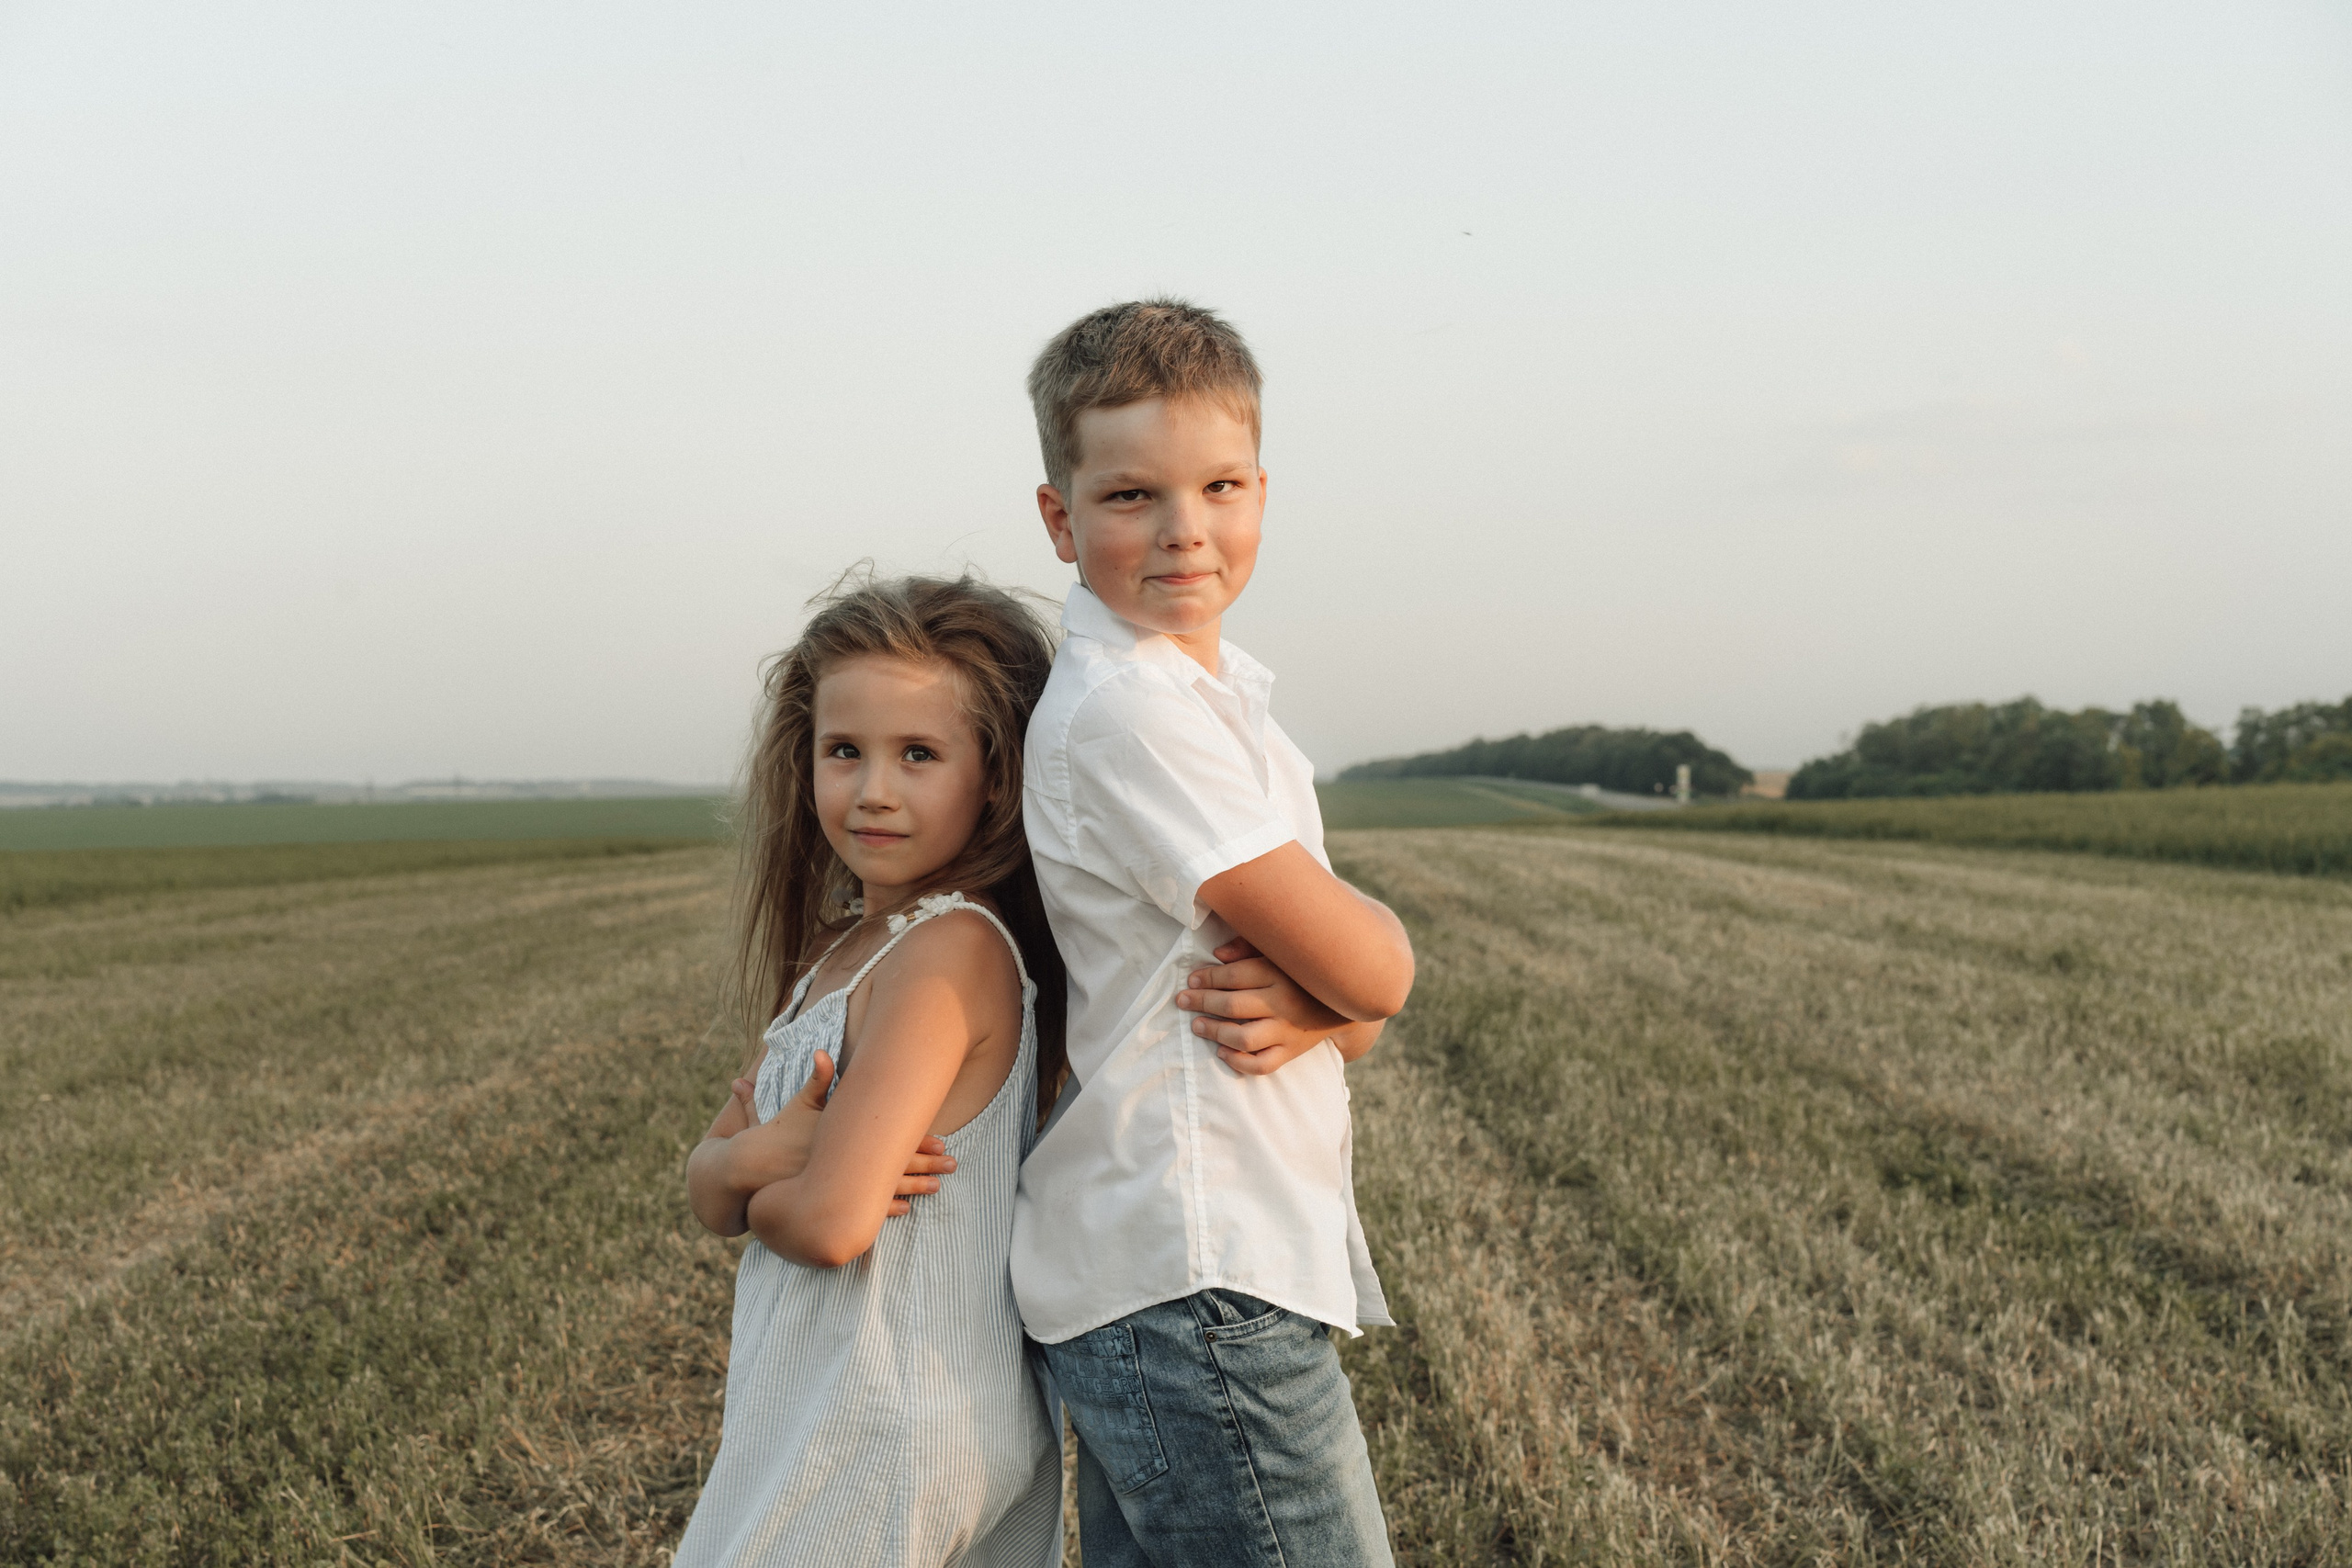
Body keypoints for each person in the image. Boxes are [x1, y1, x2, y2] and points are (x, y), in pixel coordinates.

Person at [1015, 299, 1418, 1567]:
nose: (1186, 527)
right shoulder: (1138, 712)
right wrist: (1359, 980)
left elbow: (1341, 1002)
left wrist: (1334, 1002)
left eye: (1220, 484)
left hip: (1181, 1268)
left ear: (1261, 489)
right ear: (1059, 517)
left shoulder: (1211, 698)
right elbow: (1373, 967)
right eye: (1132, 494)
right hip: (1193, 1265)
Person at [674, 574, 1069, 1568]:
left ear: (995, 777)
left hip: (888, 1420)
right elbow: (711, 1177)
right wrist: (768, 1158)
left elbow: (827, 1224)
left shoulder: (952, 954)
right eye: (844, 751)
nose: (873, 790)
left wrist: (766, 1185)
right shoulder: (838, 951)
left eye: (920, 755)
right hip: (823, 1406)